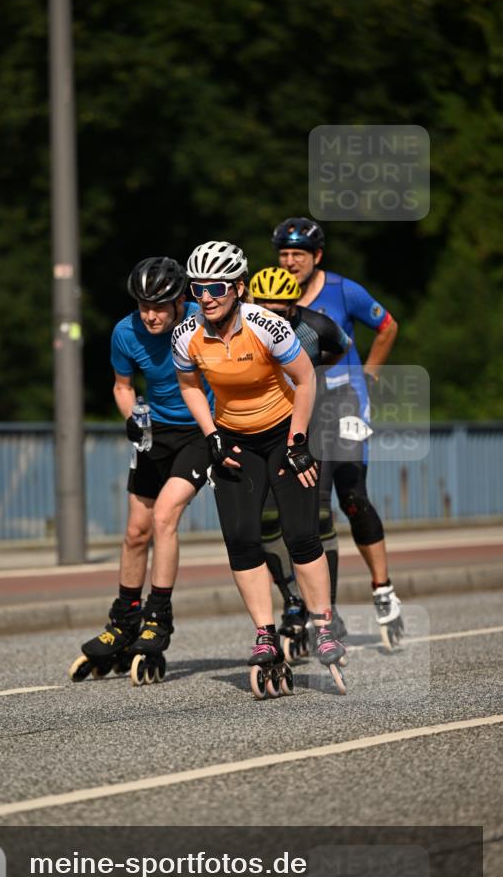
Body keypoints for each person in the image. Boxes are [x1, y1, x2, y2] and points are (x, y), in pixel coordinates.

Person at [172, 241, 347, 696]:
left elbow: (306, 379)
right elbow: (189, 385)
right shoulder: (186, 334)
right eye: (198, 288)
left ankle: (323, 622)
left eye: (216, 287)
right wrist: (211, 434)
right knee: (242, 537)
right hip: (235, 437)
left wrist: (300, 442)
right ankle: (265, 634)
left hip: (285, 430)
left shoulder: (265, 325)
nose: (206, 296)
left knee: (300, 533)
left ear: (238, 288)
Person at [69, 256, 213, 686]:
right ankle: (125, 618)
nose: (151, 315)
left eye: (161, 306)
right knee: (136, 531)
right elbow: (122, 386)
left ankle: (158, 617)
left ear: (180, 301)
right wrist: (131, 416)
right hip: (156, 433)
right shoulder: (124, 332)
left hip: (200, 432)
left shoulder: (203, 324)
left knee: (165, 515)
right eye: (144, 305)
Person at [271, 217, 403, 649]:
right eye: (285, 254)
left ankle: (382, 589)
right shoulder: (271, 295)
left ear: (317, 257)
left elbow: (387, 326)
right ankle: (325, 608)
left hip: (345, 404)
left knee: (352, 497)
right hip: (303, 408)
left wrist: (371, 375)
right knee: (314, 509)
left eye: (299, 255)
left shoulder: (343, 290)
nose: (290, 262)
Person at [248, 266, 352, 657]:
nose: (274, 316)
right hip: (266, 428)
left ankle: (325, 607)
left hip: (310, 423)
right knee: (266, 520)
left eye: (282, 309)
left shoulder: (315, 326)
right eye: (265, 308)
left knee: (317, 516)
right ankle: (292, 597)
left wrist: (316, 375)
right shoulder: (242, 325)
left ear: (295, 305)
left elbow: (341, 346)